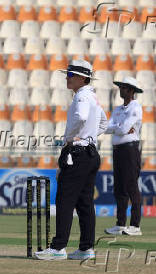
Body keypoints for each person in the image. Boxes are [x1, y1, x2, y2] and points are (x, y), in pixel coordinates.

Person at [35, 60, 107, 260]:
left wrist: (71, 138)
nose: (67, 78)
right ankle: (86, 248)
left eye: (70, 75)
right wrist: (89, 137)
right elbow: (103, 122)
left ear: (82, 78)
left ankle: (58, 248)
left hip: (77, 153)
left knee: (65, 200)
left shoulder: (82, 97)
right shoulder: (92, 96)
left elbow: (82, 117)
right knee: (85, 202)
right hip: (91, 153)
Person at [104, 77, 143, 236]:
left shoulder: (136, 107)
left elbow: (124, 128)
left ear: (131, 91)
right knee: (119, 188)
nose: (121, 90)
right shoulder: (118, 109)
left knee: (131, 186)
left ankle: (135, 225)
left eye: (124, 88)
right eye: (120, 87)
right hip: (118, 150)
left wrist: (118, 128)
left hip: (130, 150)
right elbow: (107, 128)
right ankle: (120, 224)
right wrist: (118, 128)